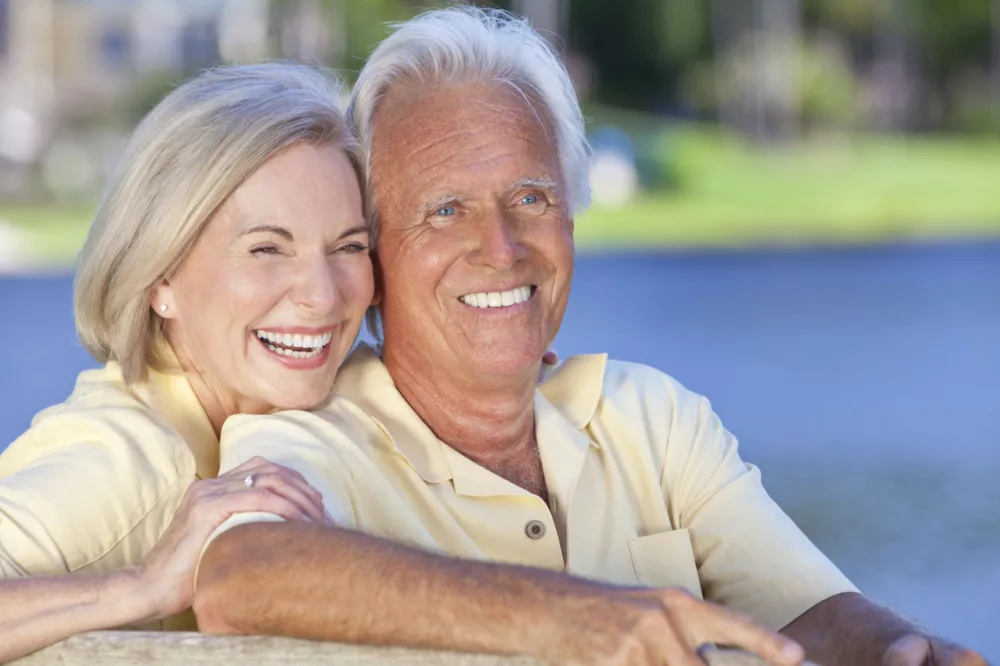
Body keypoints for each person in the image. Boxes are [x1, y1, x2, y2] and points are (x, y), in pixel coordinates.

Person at [193, 8, 988, 666]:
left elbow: (806, 612)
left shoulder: (652, 417)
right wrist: (567, 616)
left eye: (532, 197)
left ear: (570, 218)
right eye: (445, 210)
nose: (501, 247)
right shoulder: (312, 434)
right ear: (373, 250)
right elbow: (242, 574)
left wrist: (903, 650)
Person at [0, 62, 374, 662]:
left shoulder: (313, 396)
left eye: (349, 246)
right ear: (162, 276)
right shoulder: (128, 466)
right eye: (266, 249)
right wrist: (141, 584)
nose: (324, 296)